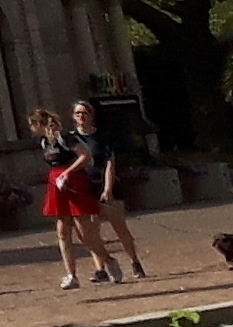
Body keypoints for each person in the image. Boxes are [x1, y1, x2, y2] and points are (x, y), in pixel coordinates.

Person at [74, 102, 150, 281]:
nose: (81, 116)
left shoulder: (102, 137)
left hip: (104, 184)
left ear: (91, 115)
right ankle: (100, 268)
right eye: (77, 113)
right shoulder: (71, 138)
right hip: (84, 187)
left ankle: (134, 261)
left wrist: (108, 188)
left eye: (84, 112)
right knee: (91, 231)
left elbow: (110, 163)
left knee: (119, 227)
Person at [37, 109, 95, 286]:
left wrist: (68, 172)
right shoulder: (43, 142)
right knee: (62, 232)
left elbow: (84, 155)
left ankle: (107, 260)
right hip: (56, 182)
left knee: (84, 232)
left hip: (73, 180)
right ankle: (71, 274)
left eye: (33, 125)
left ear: (39, 124)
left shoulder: (65, 137)